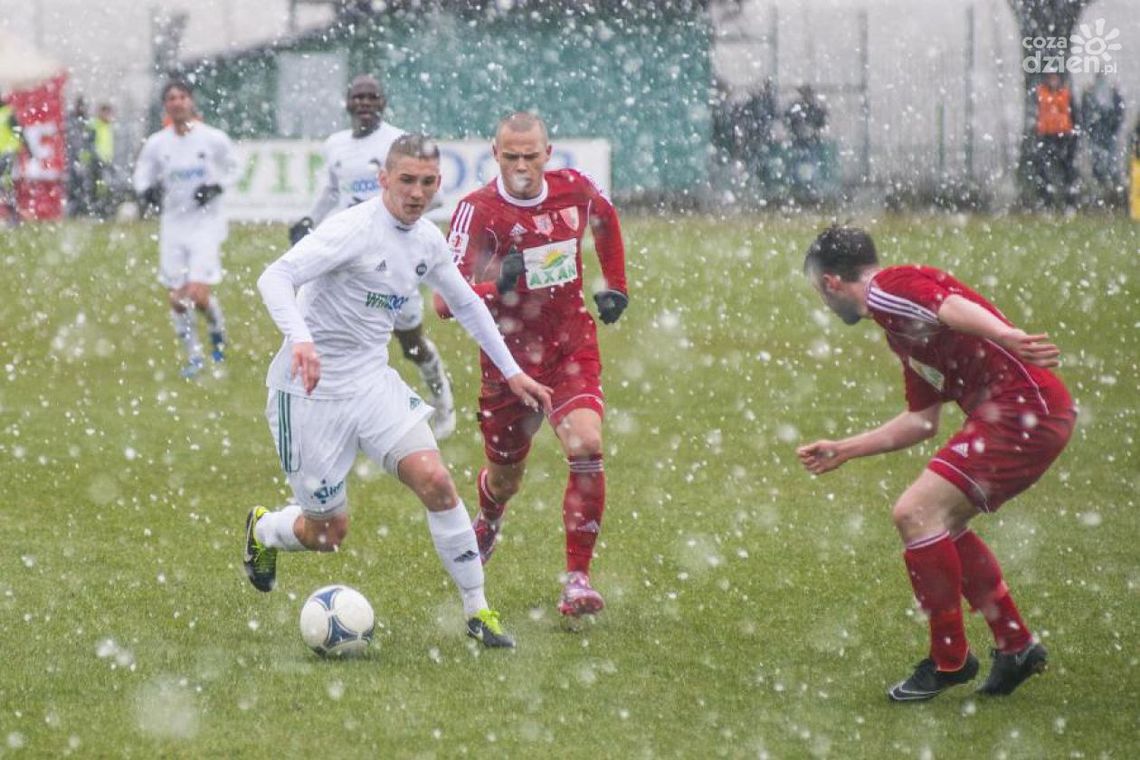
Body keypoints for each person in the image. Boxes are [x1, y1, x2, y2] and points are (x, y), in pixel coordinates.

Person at [244, 134, 553, 649]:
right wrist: (301, 339)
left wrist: (513, 371)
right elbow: (275, 276)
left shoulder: (427, 240)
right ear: (383, 178)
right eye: (406, 180)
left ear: (438, 184)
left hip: (371, 383)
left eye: (427, 182)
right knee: (327, 533)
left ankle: (478, 610)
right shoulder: (351, 229)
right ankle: (265, 529)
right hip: (309, 393)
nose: (416, 193)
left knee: (437, 482)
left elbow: (467, 304)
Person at [796, 225, 1075, 702]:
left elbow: (948, 306)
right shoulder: (897, 330)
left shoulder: (887, 289)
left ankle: (950, 660)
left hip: (1024, 410)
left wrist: (1005, 334)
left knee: (915, 513)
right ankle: (1016, 646)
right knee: (942, 524)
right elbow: (922, 421)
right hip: (1026, 413)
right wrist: (845, 448)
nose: (822, 301)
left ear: (830, 282)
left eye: (817, 290)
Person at [438, 112, 628, 618]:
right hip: (509, 363)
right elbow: (443, 302)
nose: (521, 166)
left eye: (530, 156)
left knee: (586, 444)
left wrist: (616, 285)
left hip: (569, 348)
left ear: (548, 152)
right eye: (511, 157)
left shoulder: (574, 189)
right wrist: (497, 284)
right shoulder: (476, 212)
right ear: (494, 154)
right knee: (506, 479)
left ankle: (577, 579)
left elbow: (606, 219)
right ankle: (489, 516)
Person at [289, 75, 457, 440]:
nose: (364, 103)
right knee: (339, 334)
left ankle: (442, 398)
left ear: (383, 102)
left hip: (395, 261)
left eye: (372, 97)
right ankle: (334, 415)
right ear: (348, 102)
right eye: (358, 97)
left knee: (411, 343)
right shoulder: (335, 145)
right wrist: (309, 220)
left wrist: (396, 220)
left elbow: (436, 197)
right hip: (351, 260)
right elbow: (332, 189)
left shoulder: (400, 144)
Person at [132, 80, 236, 378]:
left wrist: (216, 187)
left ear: (191, 102)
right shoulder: (157, 144)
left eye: (182, 97)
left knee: (198, 295)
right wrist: (146, 191)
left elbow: (235, 167)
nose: (177, 102)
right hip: (173, 226)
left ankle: (216, 329)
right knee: (177, 299)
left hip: (205, 225)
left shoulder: (212, 139)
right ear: (165, 105)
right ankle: (195, 357)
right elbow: (141, 175)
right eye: (171, 98)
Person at [1034, 73, 1078, 209]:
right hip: (1046, 136)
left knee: (1067, 170)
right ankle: (1046, 202)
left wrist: (1073, 137)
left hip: (1063, 136)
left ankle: (1070, 203)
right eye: (1050, 78)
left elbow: (1074, 116)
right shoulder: (1040, 93)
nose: (1053, 81)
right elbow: (1037, 114)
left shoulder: (1066, 94)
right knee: (1043, 170)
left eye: (1055, 78)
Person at [1079, 73, 1125, 196]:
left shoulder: (1108, 94)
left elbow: (1118, 114)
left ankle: (1109, 191)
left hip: (1105, 133)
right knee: (1100, 163)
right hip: (1099, 134)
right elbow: (1085, 114)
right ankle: (1105, 191)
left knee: (1108, 163)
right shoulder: (1093, 94)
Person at [0, 88, 26, 225]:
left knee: (5, 183)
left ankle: (13, 215)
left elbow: (19, 131)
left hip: (8, 153)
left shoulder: (8, 113)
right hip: (3, 154)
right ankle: (12, 214)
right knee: (4, 185)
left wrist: (27, 148)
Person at [89, 103, 116, 218]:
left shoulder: (108, 127)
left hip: (106, 162)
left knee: (105, 188)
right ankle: (96, 212)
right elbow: (90, 145)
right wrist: (97, 159)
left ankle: (103, 212)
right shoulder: (95, 126)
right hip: (96, 162)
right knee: (97, 188)